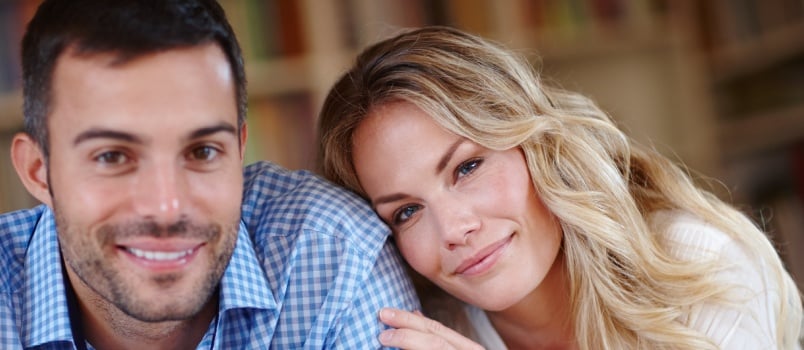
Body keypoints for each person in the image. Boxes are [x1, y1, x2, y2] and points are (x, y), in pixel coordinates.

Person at [317, 26, 803, 349]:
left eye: (467, 168)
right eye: (406, 212)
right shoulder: (428, 332)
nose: (455, 229)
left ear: (536, 144)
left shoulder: (696, 267)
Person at [0, 0, 419, 349]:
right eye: (112, 157)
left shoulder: (334, 254)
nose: (167, 207)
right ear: (39, 172)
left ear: (238, 150)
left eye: (202, 151)